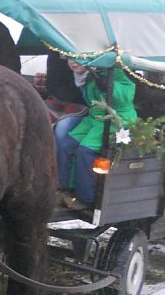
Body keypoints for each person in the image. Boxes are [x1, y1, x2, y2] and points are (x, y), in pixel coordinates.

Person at [56, 59, 138, 211]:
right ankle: (64, 188)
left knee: (85, 151)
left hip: (116, 118)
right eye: (70, 58)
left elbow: (126, 95)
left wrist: (109, 85)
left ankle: (86, 198)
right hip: (95, 117)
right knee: (66, 144)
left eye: (78, 59)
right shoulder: (84, 76)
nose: (73, 62)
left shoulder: (114, 70)